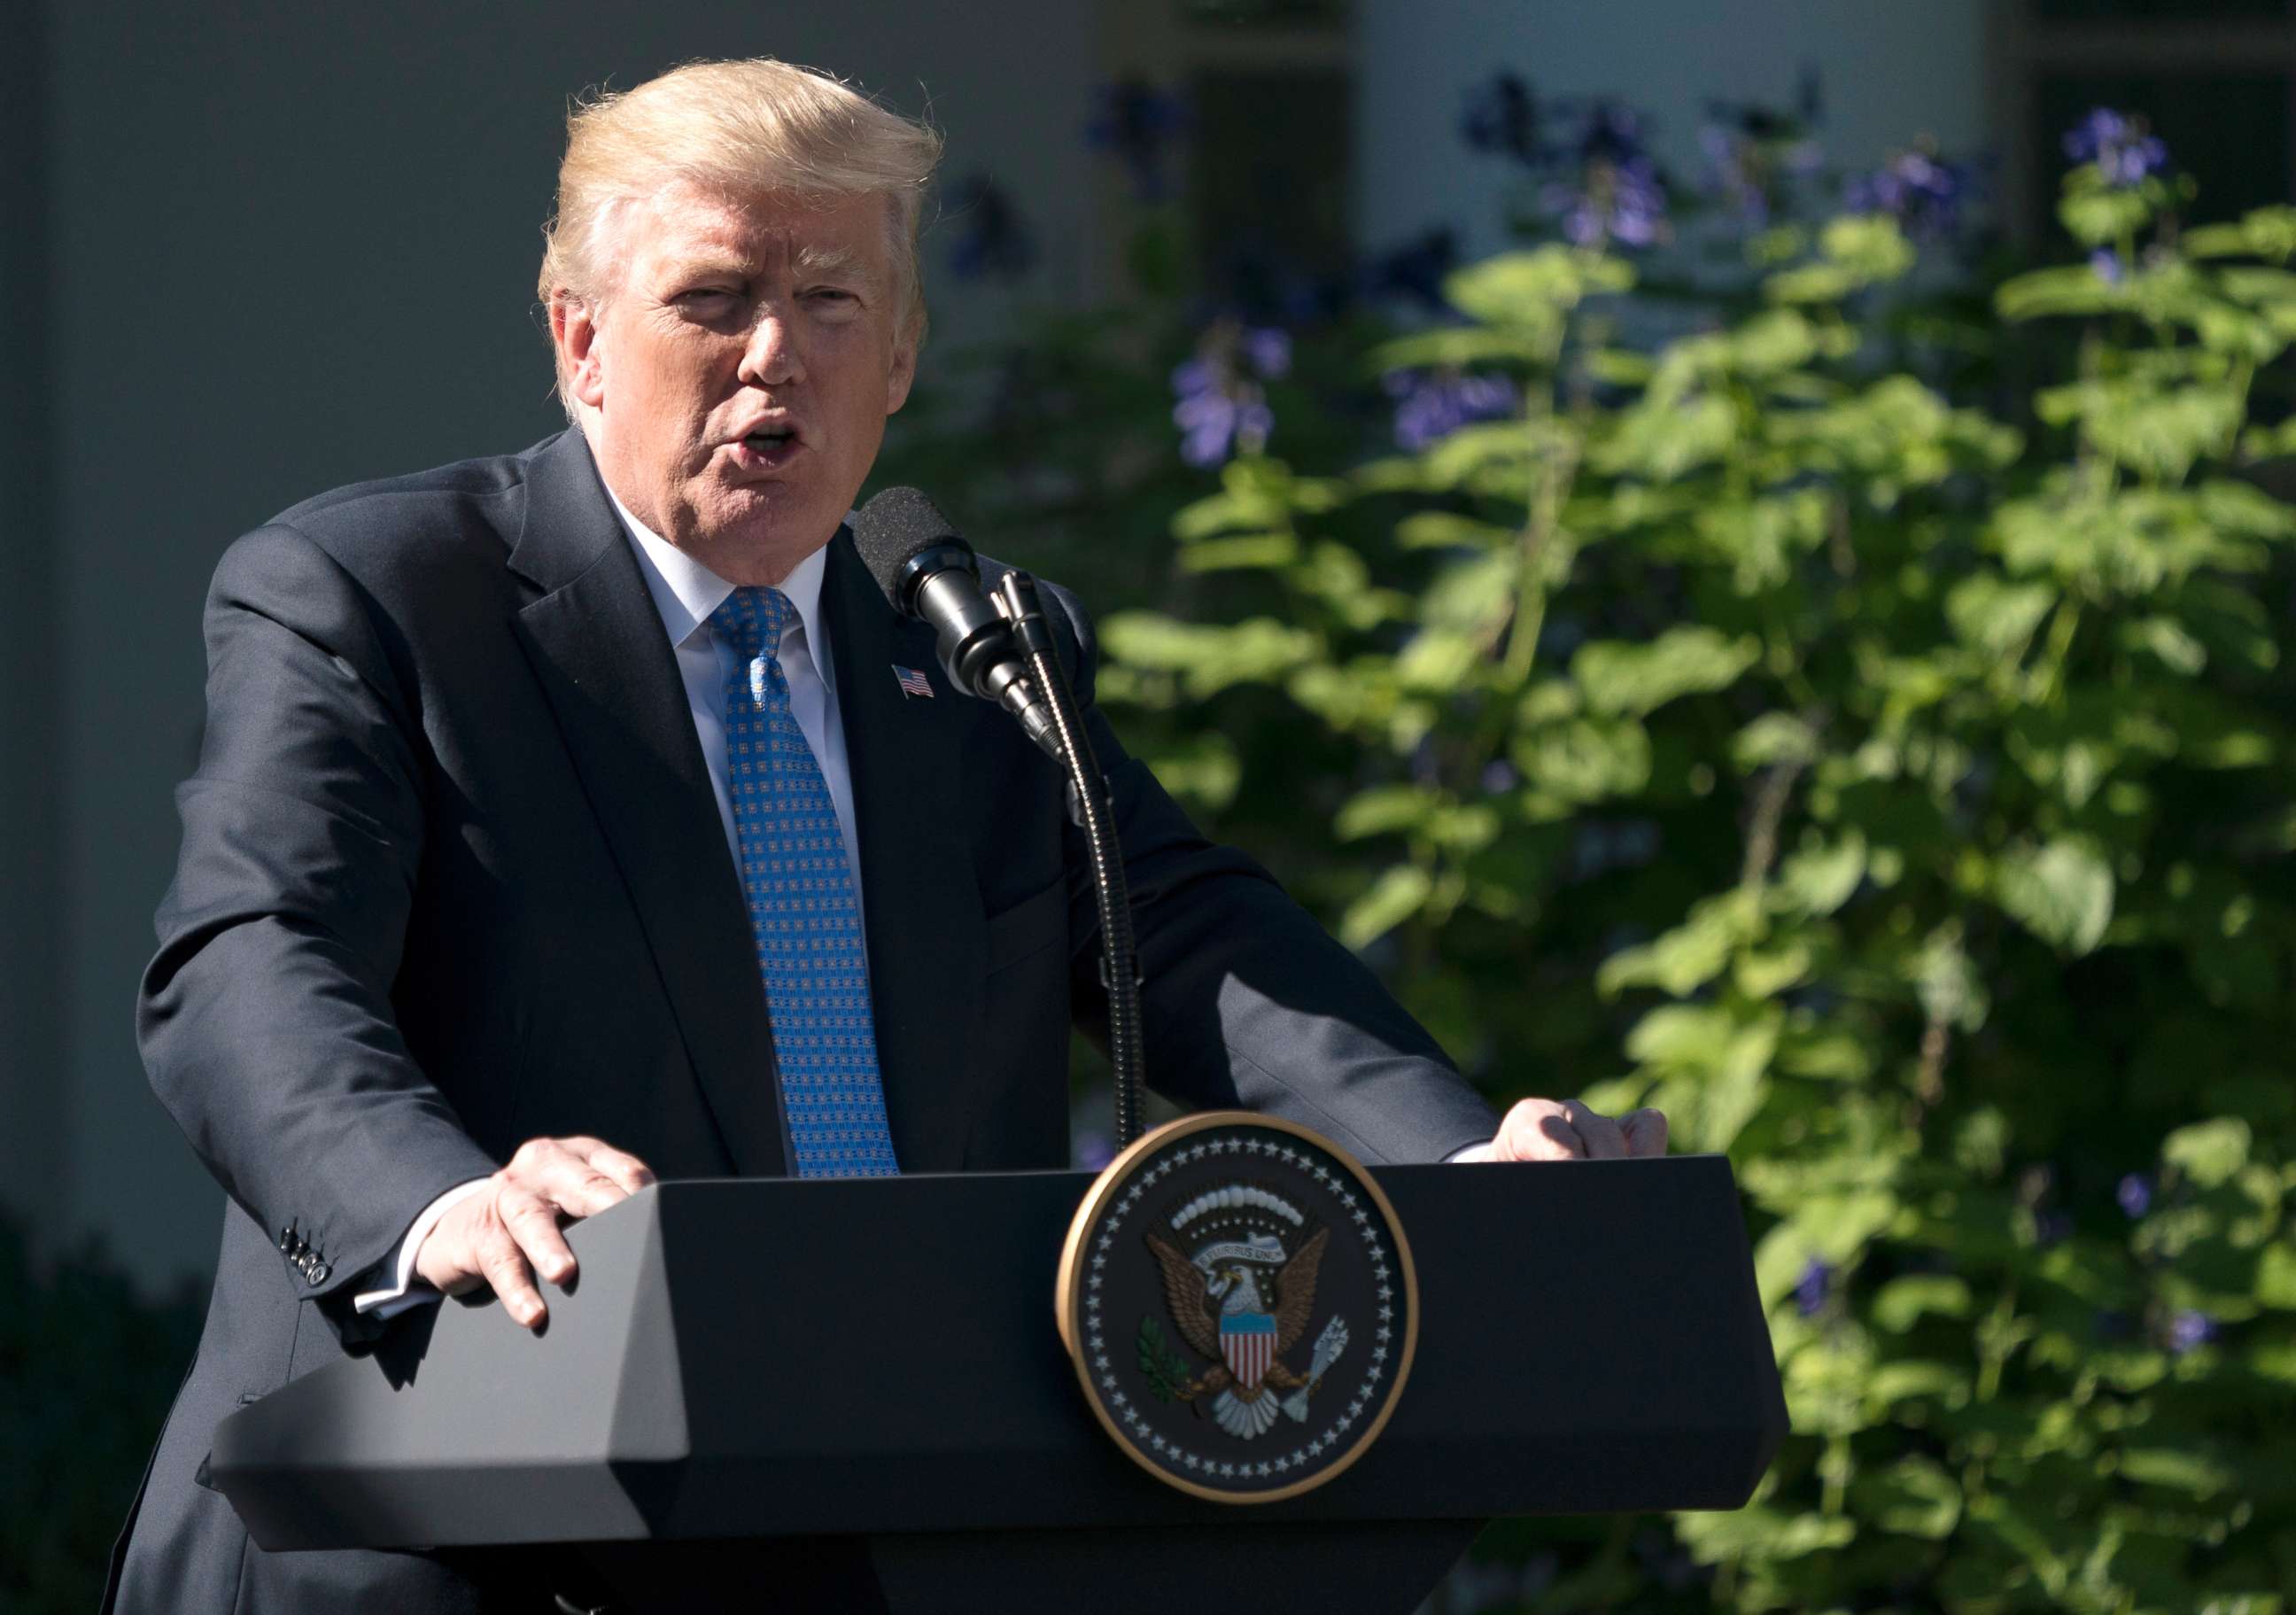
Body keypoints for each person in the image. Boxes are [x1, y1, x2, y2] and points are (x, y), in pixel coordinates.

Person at [102, 57, 1666, 1615]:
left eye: (832, 303)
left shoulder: (984, 658)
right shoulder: (374, 597)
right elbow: (251, 965)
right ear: (581, 339)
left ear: (903, 351)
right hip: (432, 1540)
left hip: (873, 1532)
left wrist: (1465, 1169)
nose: (774, 355)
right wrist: (440, 1199)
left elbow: (1191, 939)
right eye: (713, 299)